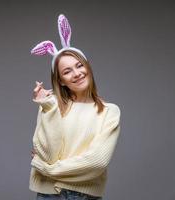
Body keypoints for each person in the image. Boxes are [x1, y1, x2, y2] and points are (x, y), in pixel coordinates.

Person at [29, 14, 121, 200]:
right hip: (47, 195)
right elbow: (48, 153)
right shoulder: (51, 105)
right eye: (67, 71)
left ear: (87, 66)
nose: (77, 73)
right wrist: (47, 107)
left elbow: (97, 162)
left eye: (79, 65)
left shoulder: (109, 111)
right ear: (61, 81)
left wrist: (46, 169)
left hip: (84, 196)